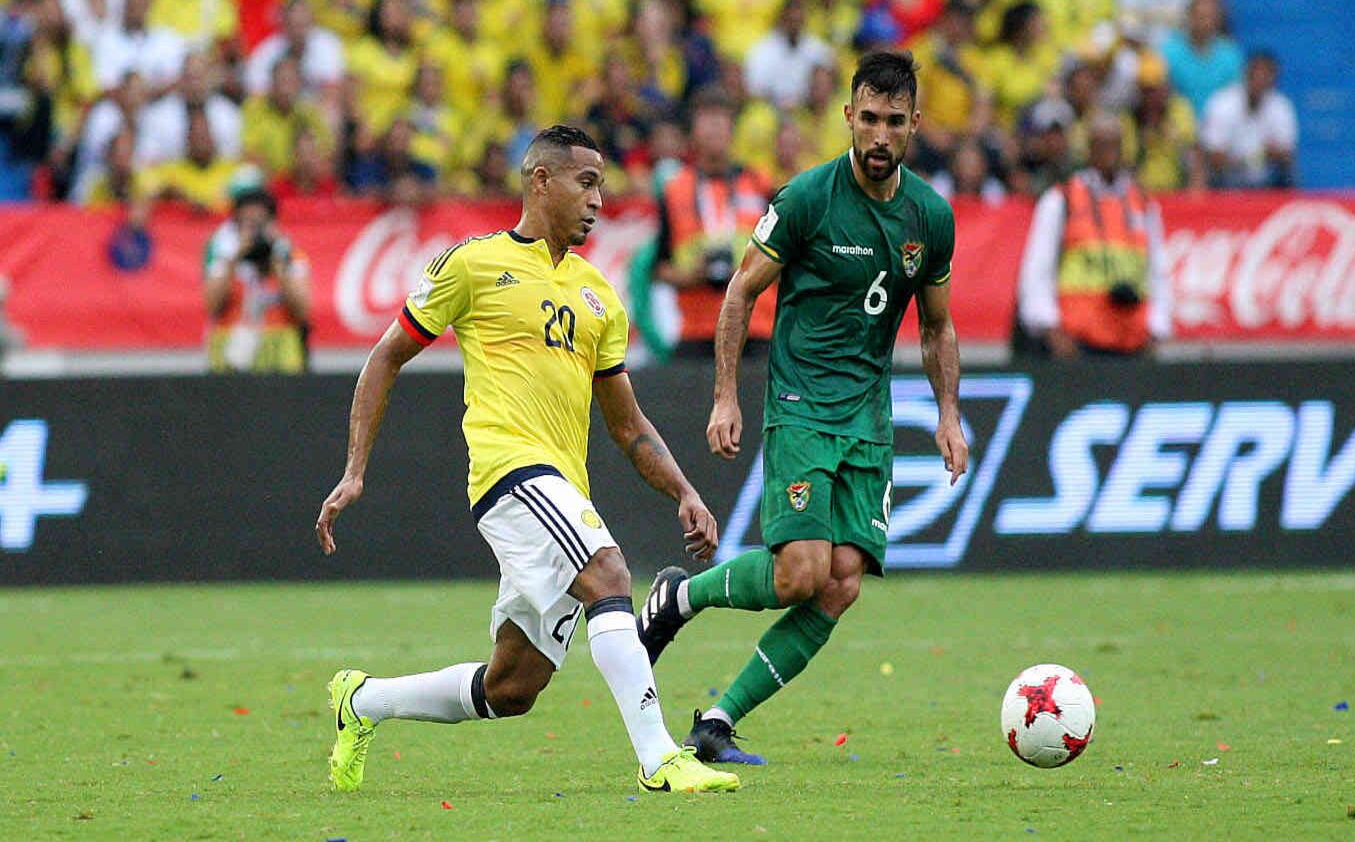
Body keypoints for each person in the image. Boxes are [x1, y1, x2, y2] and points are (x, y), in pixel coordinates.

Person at [313, 126, 740, 796]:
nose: (599, 199)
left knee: (511, 686)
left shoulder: (600, 294)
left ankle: (361, 701)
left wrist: (683, 489)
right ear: (540, 181)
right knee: (609, 572)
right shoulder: (473, 264)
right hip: (511, 474)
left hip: (561, 486)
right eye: (587, 181)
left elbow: (626, 424)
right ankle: (660, 758)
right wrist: (354, 468)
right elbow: (385, 356)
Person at [635, 51, 969, 764]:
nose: (880, 135)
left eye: (895, 122)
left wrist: (947, 413)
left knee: (842, 580)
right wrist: (727, 394)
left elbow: (936, 325)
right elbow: (740, 292)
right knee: (799, 571)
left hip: (869, 419)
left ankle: (716, 722)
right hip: (801, 405)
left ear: (916, 125)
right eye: (869, 119)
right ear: (848, 117)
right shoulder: (808, 199)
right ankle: (680, 597)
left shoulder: (930, 217)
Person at [1016, 113, 1173, 358]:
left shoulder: (1143, 203)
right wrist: (1051, 329)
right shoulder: (1061, 199)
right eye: (1101, 144)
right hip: (1079, 343)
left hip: (1132, 340)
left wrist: (1157, 327)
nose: (1109, 152)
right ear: (1089, 149)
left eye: (1114, 144)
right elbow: (1037, 270)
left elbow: (1158, 270)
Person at [654, 87, 773, 356]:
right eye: (707, 120)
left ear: (733, 129)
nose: (715, 128)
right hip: (698, 330)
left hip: (755, 326)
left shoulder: (761, 185)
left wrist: (747, 273)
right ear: (692, 131)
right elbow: (659, 268)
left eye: (722, 120)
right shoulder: (674, 190)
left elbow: (784, 259)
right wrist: (691, 275)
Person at [202, 184, 310, 373]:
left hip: (280, 360)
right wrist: (234, 259)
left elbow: (303, 311)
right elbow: (212, 305)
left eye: (259, 224)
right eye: (248, 224)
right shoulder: (224, 255)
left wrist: (278, 264)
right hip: (230, 362)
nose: (254, 233)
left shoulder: (290, 255)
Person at [1200, 50, 1296, 188]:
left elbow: (1287, 153)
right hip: (1227, 180)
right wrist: (1253, 158)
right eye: (1256, 76)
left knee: (1290, 172)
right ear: (1246, 75)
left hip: (1266, 180)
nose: (1260, 82)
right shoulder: (1222, 103)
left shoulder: (1281, 106)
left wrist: (1273, 155)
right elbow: (1215, 157)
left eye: (1266, 77)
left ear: (1273, 80)